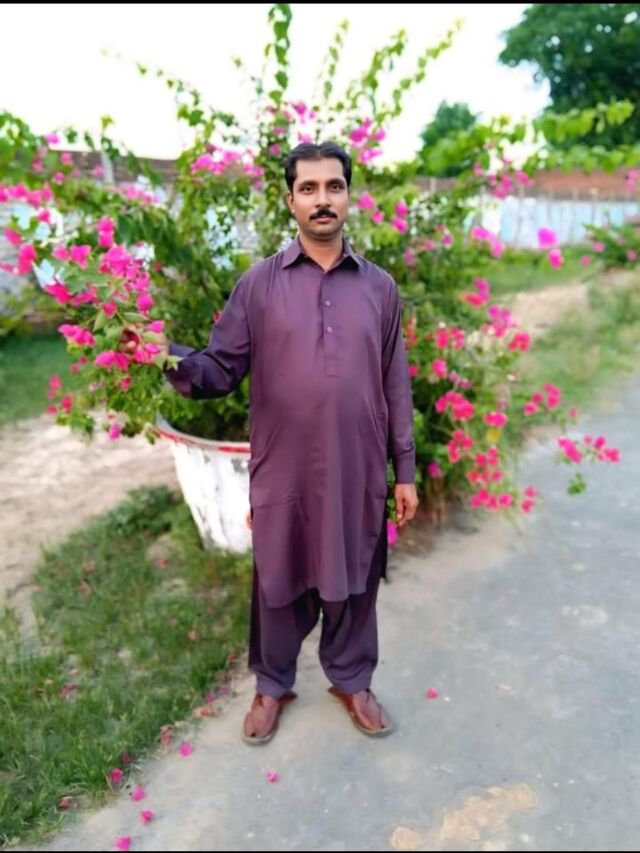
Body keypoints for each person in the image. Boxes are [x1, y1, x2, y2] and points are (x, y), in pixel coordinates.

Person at [120, 141, 418, 743]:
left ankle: (352, 678)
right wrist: (162, 355)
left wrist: (404, 471)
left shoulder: (379, 288)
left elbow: (395, 382)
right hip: (285, 468)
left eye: (333, 186)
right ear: (290, 201)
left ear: (348, 195)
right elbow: (219, 369)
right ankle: (272, 684)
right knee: (278, 580)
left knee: (356, 578)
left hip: (358, 468)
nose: (322, 199)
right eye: (308, 189)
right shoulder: (259, 286)